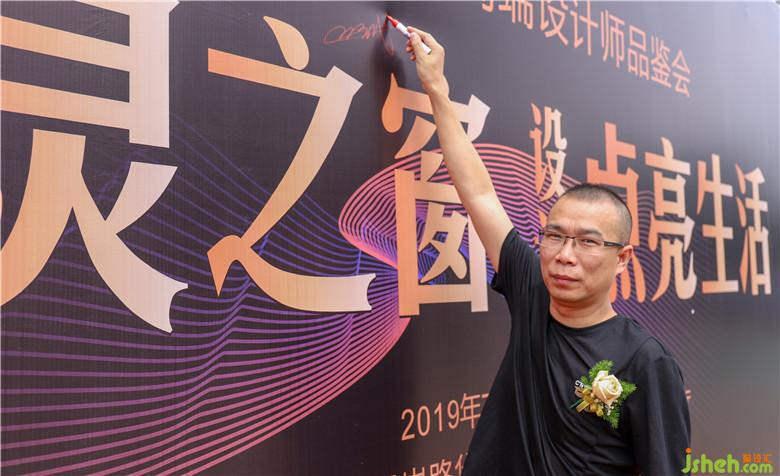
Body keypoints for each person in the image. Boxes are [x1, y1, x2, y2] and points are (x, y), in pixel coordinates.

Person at [404, 27, 691, 475]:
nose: (565, 255)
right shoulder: (533, 292)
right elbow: (479, 193)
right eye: (555, 236)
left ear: (622, 258)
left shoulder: (645, 362)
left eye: (589, 242)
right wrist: (436, 86)